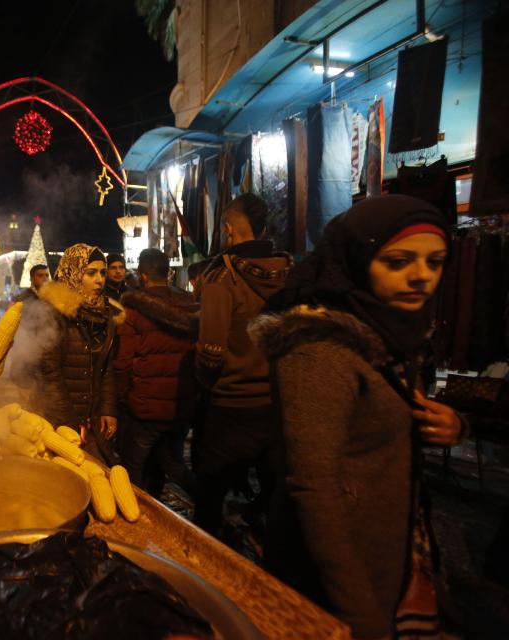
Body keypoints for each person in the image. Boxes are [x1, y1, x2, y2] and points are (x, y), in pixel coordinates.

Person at [250, 195, 464, 639]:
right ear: (359, 258)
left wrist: (452, 425)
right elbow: (314, 486)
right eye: (399, 261)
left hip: (389, 546)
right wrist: (361, 615)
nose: (422, 275)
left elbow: (379, 423)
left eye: (435, 261)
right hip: (336, 574)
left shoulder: (392, 331)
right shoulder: (319, 347)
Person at [192, 193, 292, 537]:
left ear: (228, 230)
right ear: (263, 228)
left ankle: (209, 576)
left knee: (208, 501)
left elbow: (210, 352)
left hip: (231, 407)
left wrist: (206, 385)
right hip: (279, 406)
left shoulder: (222, 277)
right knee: (277, 499)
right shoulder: (290, 272)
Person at [114, 248, 199, 496]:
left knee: (133, 471)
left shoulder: (134, 310)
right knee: (172, 463)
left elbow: (123, 362)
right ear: (169, 273)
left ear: (142, 275)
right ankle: (207, 506)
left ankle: (138, 523)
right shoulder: (190, 306)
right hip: (180, 406)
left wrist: (121, 399)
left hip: (144, 408)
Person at [30, 244, 124, 463]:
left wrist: (109, 410)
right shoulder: (54, 314)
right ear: (73, 273)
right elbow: (50, 377)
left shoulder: (106, 314)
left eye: (102, 272)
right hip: (58, 420)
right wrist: (71, 425)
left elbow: (106, 367)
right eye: (90, 273)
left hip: (92, 418)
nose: (100, 280)